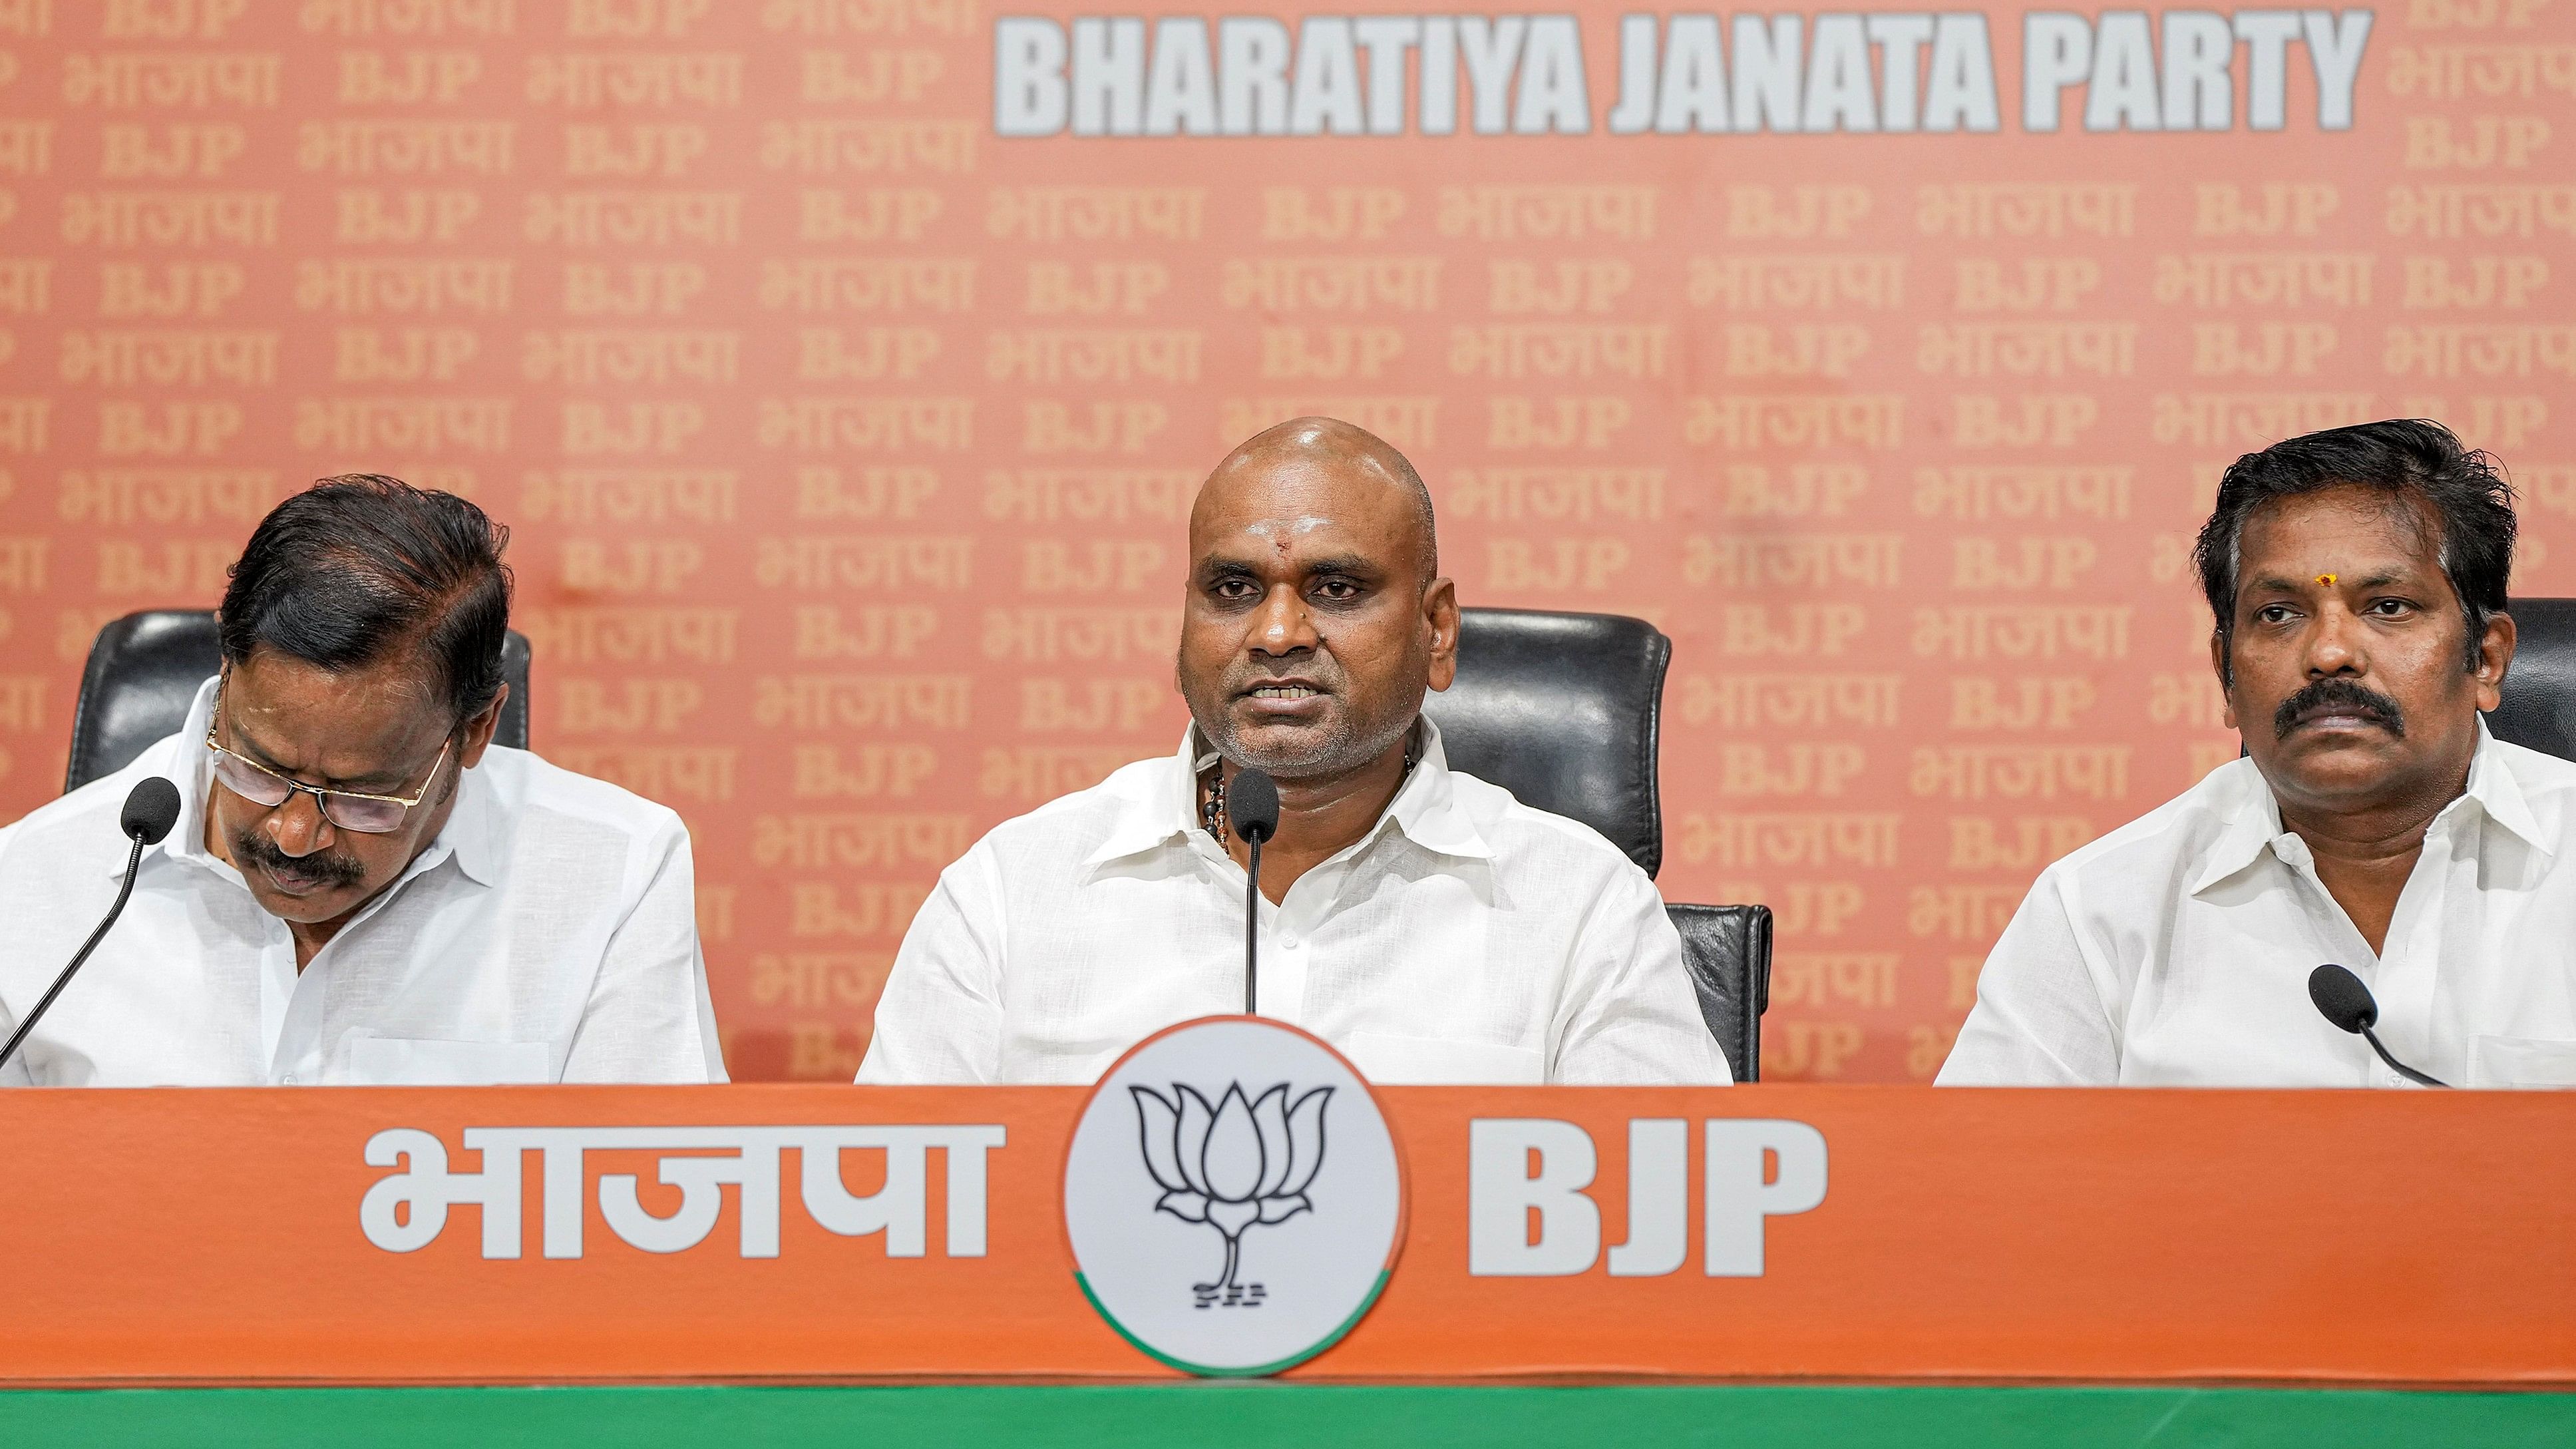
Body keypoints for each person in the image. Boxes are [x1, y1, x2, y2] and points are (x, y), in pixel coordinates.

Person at [862, 417, 1728, 1085]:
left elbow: (1665, 1239)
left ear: (1435, 629)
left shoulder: (1577, 909)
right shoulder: (1012, 895)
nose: (1276, 633)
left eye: (1336, 588)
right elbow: (897, 1234)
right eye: (1233, 589)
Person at [0, 476, 725, 1086]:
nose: (294, 832)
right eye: (259, 766)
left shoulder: (613, 875)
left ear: (475, 730)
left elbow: (650, 1204)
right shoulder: (32, 890)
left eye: (363, 794)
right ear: (225, 682)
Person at [1940, 419, 2576, 1088]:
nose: (2330, 653)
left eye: (2387, 606)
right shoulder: (2102, 909)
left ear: (2486, 658)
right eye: (2279, 614)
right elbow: (1983, 1176)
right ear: (2226, 675)